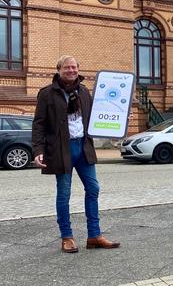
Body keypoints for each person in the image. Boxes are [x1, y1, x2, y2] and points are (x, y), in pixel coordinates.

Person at [32, 55, 120, 253]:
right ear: (58, 70)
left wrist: (120, 118)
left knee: (93, 188)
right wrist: (38, 150)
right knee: (64, 193)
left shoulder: (83, 91)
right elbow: (38, 124)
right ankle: (67, 237)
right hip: (61, 149)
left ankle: (94, 235)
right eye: (67, 68)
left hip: (83, 147)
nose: (71, 70)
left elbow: (96, 115)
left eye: (74, 67)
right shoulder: (47, 93)